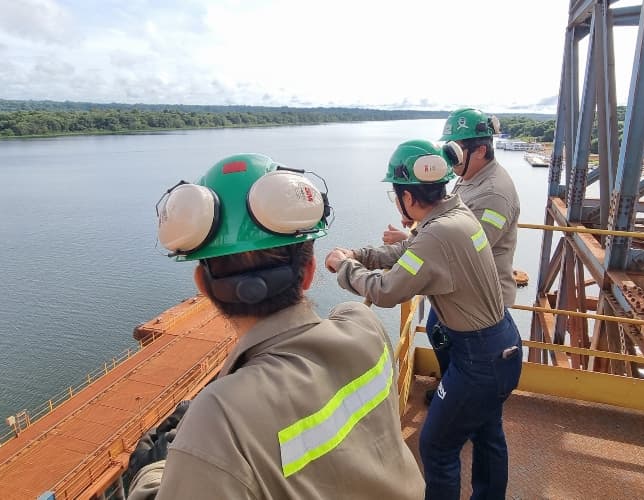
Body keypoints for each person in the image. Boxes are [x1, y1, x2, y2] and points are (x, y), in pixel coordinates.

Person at [131, 153, 424, 499]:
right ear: (310, 271)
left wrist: (151, 472)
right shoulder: (365, 328)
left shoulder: (219, 418)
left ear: (202, 284)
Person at [326, 140, 523, 500]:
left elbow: (386, 291)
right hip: (500, 347)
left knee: (436, 446)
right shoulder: (455, 214)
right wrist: (362, 254)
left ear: (409, 198)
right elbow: (407, 250)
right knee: (487, 434)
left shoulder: (438, 233)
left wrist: (344, 267)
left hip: (478, 362)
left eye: (396, 195)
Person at [383, 108, 521, 380]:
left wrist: (412, 236)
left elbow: (462, 245)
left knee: (471, 365)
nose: (449, 157)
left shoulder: (494, 193)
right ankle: (452, 388)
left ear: (480, 150)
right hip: (456, 290)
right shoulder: (470, 176)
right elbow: (446, 220)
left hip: (480, 299)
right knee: (446, 346)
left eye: (454, 149)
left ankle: (457, 396)